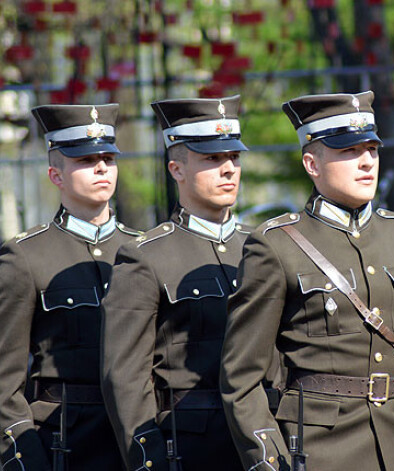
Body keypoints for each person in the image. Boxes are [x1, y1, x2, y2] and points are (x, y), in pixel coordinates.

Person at [221, 91, 394, 471]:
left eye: (372, 150)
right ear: (312, 163)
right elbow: (241, 377)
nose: (367, 163)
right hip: (324, 450)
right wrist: (269, 460)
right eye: (349, 151)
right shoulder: (276, 245)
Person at [100, 96, 276, 471]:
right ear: (177, 169)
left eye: (234, 158)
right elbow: (126, 379)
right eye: (212, 159)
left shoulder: (264, 248)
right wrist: (149, 461)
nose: (228, 169)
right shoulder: (145, 257)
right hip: (189, 448)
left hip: (264, 445)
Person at [0, 103, 140, 470]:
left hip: (138, 441)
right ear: (55, 175)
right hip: (62, 443)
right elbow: (4, 380)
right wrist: (25, 456)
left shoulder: (142, 251)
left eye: (108, 158)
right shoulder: (26, 256)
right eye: (85, 160)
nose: (100, 168)